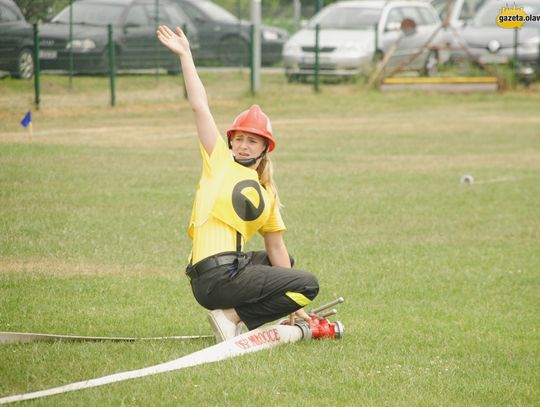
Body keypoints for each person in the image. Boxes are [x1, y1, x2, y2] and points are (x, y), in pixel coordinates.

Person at [156, 25, 319, 343]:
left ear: (265, 148)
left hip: (228, 274)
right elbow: (199, 106)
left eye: (252, 141)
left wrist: (293, 302)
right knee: (309, 283)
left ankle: (233, 320)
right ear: (230, 142)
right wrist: (186, 55)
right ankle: (231, 318)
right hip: (213, 277)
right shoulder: (218, 160)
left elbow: (276, 248)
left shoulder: (267, 192)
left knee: (288, 268)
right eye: (239, 139)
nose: (243, 146)